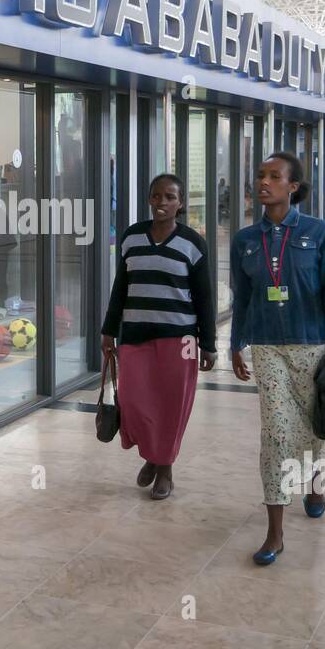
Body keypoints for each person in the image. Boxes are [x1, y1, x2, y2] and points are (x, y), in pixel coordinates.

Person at [230, 152, 325, 566]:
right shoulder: (245, 241)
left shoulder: (319, 233)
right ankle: (275, 532)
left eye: (274, 176)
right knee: (276, 433)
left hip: (312, 343)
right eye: (260, 175)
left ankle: (314, 480)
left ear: (294, 187)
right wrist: (237, 343)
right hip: (267, 347)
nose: (263, 182)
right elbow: (244, 297)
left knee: (310, 425)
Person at [101, 174, 216, 500]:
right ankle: (154, 455)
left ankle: (164, 469)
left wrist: (208, 344)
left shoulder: (193, 243)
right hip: (135, 335)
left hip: (179, 339)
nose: (162, 202)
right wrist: (108, 330)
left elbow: (204, 297)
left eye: (169, 197)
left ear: (180, 203)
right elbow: (120, 288)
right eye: (156, 196)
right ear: (149, 199)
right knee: (135, 402)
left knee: (170, 407)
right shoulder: (132, 238)